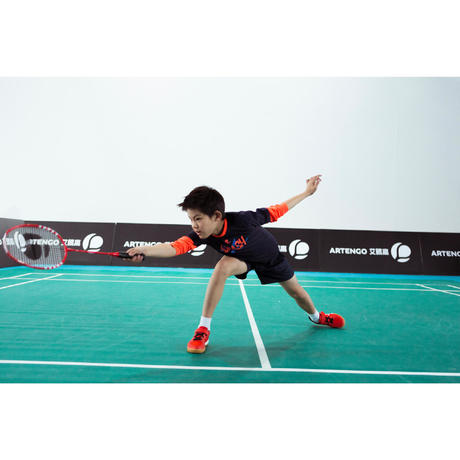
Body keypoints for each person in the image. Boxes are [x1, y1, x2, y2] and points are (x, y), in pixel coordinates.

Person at [127, 175, 345, 354]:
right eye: (191, 219)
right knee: (222, 267)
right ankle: (203, 329)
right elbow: (175, 247)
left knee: (297, 293)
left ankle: (317, 317)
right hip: (244, 261)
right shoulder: (202, 235)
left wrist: (307, 192)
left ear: (216, 215)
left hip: (270, 257)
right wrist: (143, 250)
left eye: (198, 219)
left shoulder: (243, 220)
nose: (194, 225)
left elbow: (278, 209)